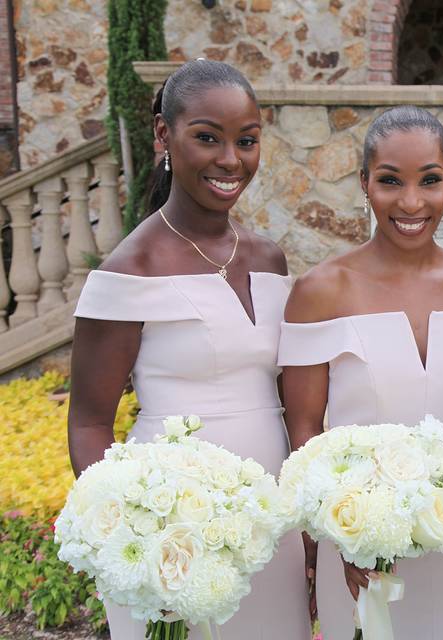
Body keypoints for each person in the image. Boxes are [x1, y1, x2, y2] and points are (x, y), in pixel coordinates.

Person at [67, 59, 310, 639]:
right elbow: (89, 422)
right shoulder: (132, 269)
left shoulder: (268, 258)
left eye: (246, 141)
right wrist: (135, 533)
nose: (231, 160)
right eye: (207, 138)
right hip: (173, 529)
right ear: (163, 136)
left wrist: (307, 519)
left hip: (270, 514)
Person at [279, 105, 443, 640]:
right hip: (359, 539)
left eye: (430, 180)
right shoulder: (320, 291)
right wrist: (342, 535)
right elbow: (304, 433)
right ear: (364, 184)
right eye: (390, 181)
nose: (411, 202)